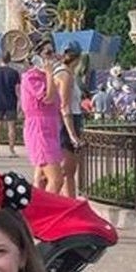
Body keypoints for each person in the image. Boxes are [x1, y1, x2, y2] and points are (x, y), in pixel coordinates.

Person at [20, 36, 63, 191]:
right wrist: (50, 73)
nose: (52, 57)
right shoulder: (31, 77)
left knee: (41, 178)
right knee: (56, 179)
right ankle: (50, 211)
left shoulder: (44, 76)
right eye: (48, 53)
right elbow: (48, 98)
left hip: (50, 127)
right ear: (37, 57)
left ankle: (36, 210)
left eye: (53, 53)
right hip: (40, 128)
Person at [55, 40, 85, 197]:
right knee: (68, 171)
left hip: (69, 120)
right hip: (68, 122)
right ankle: (69, 206)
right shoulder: (65, 75)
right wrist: (73, 135)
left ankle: (68, 204)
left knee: (66, 171)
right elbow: (64, 106)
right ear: (78, 58)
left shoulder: (62, 72)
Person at [0, 50, 21, 158]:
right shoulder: (14, 72)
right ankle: (11, 150)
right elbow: (18, 90)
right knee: (11, 127)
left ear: (1, 59)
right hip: (11, 102)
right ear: (10, 59)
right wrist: (20, 104)